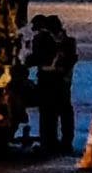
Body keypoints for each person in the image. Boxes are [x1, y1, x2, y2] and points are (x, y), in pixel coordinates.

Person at [23, 14, 63, 154]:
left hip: (47, 79)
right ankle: (51, 141)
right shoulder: (51, 38)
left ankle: (48, 143)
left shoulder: (41, 38)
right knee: (51, 113)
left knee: (47, 113)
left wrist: (26, 63)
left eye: (34, 25)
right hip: (53, 79)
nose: (32, 28)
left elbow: (38, 57)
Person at [47, 15, 78, 154]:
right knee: (55, 113)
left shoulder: (66, 42)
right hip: (59, 80)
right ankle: (56, 141)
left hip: (59, 80)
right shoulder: (67, 41)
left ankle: (61, 142)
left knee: (59, 112)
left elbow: (70, 60)